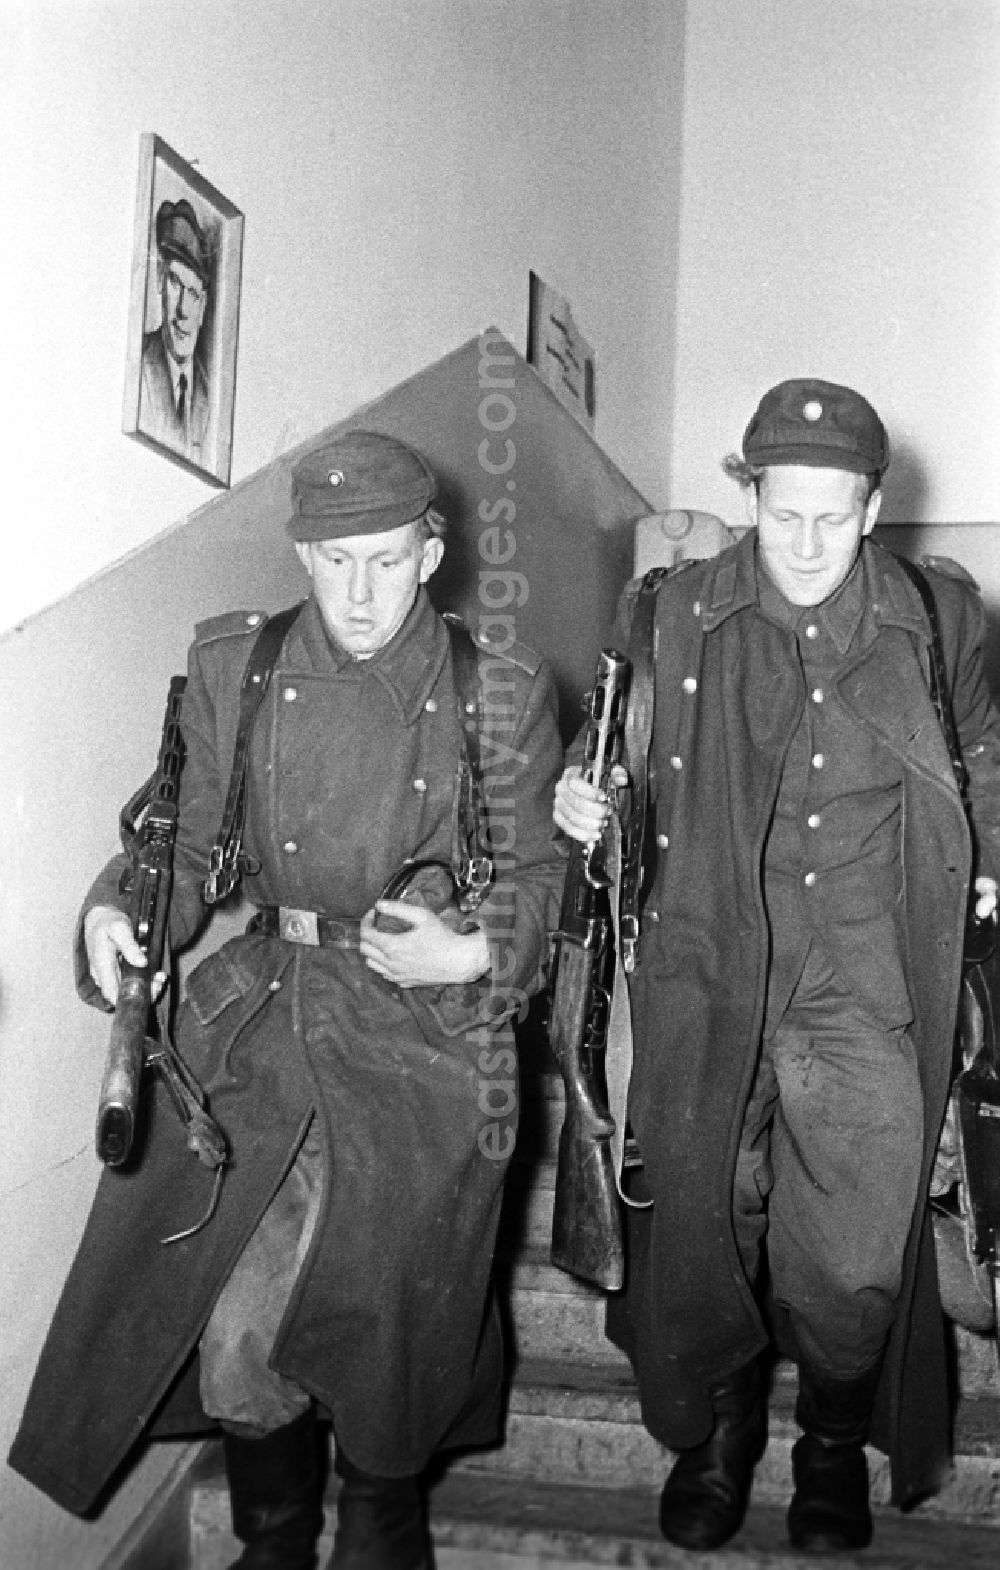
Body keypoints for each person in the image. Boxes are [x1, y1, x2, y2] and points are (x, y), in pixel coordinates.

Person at [10, 430, 565, 1569]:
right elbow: (171, 841)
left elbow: (545, 884)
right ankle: (272, 1543)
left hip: (427, 1046)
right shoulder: (236, 668)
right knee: (234, 1330)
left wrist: (474, 956)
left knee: (391, 1338)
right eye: (333, 560)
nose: (359, 590)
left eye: (383, 558)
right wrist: (115, 910)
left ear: (430, 550)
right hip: (263, 1024)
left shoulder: (497, 691)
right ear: (302, 554)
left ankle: (382, 1532)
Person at [553, 379, 1000, 1555]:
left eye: (834, 516)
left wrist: (990, 856)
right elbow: (606, 757)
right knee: (703, 1224)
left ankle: (829, 1443)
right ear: (747, 494)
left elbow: (991, 762)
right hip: (706, 976)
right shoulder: (670, 612)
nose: (805, 545)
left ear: (872, 505)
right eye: (780, 512)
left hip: (866, 987)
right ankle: (718, 1435)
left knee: (854, 1260)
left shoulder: (939, 620)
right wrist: (579, 799)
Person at [140, 197, 212, 461]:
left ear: (203, 307)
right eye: (175, 283)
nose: (183, 310)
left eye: (193, 293)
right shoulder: (140, 363)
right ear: (160, 279)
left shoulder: (208, 391)